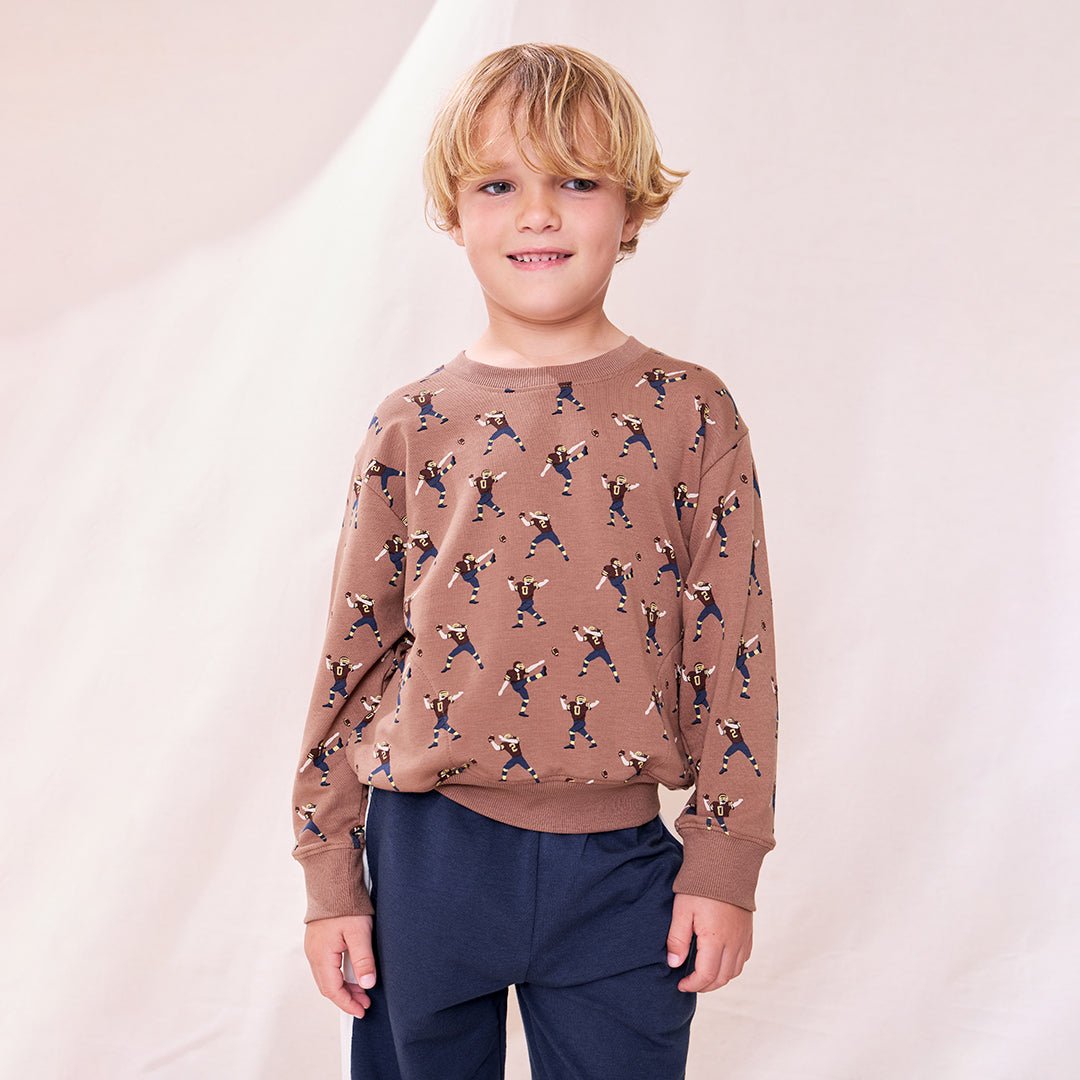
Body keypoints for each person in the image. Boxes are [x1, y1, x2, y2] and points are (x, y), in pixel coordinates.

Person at [291, 42, 781, 1080]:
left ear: (631, 207)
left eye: (577, 182)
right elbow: (354, 659)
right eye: (500, 185)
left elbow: (736, 649)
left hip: (622, 870)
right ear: (455, 212)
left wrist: (725, 859)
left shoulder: (692, 412)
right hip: (427, 858)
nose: (539, 214)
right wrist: (331, 873)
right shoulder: (412, 424)